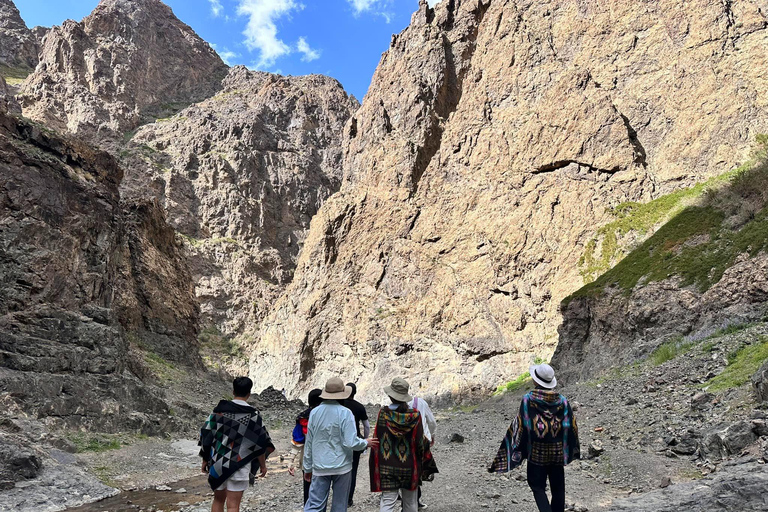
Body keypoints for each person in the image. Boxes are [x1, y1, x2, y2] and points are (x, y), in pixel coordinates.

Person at [488, 363, 580, 512]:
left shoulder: (528, 400)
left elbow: (522, 425)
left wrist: (519, 450)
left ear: (536, 381)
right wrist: (569, 450)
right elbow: (571, 426)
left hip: (537, 453)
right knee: (558, 488)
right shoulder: (562, 401)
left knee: (537, 487)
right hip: (557, 453)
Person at [199, 377, 275, 512]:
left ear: (233, 391)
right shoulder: (253, 416)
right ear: (249, 393)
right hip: (240, 465)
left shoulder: (218, 412)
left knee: (217, 500)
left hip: (218, 464)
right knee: (233, 506)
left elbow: (206, 434)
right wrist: (262, 465)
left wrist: (205, 459)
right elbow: (261, 442)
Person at [304, 377, 378, 512]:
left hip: (320, 466)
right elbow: (351, 442)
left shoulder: (314, 413)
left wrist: (307, 467)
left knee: (315, 505)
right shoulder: (346, 413)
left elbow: (309, 442)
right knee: (339, 506)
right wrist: (365, 443)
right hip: (342, 466)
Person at [370, 378, 438, 512]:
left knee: (387, 502)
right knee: (411, 503)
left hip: (387, 466)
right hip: (410, 466)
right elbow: (420, 442)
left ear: (390, 396)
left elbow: (377, 439)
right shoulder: (415, 415)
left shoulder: (383, 414)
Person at [289, 388, 324, 507]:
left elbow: (298, 441)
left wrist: (291, 460)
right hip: (325, 458)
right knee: (322, 490)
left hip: (306, 459)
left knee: (308, 488)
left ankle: (308, 508)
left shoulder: (303, 417)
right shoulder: (327, 416)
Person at [408, 392, 437, 509]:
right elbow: (432, 421)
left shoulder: (393, 405)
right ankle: (414, 501)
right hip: (422, 441)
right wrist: (432, 435)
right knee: (418, 470)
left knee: (407, 470)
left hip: (403, 442)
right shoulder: (420, 402)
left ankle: (409, 502)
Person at [343, 382, 370, 508]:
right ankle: (349, 499)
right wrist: (365, 440)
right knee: (353, 470)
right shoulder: (359, 406)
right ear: (355, 392)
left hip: (341, 441)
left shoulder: (340, 404)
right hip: (355, 440)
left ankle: (339, 496)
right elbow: (366, 426)